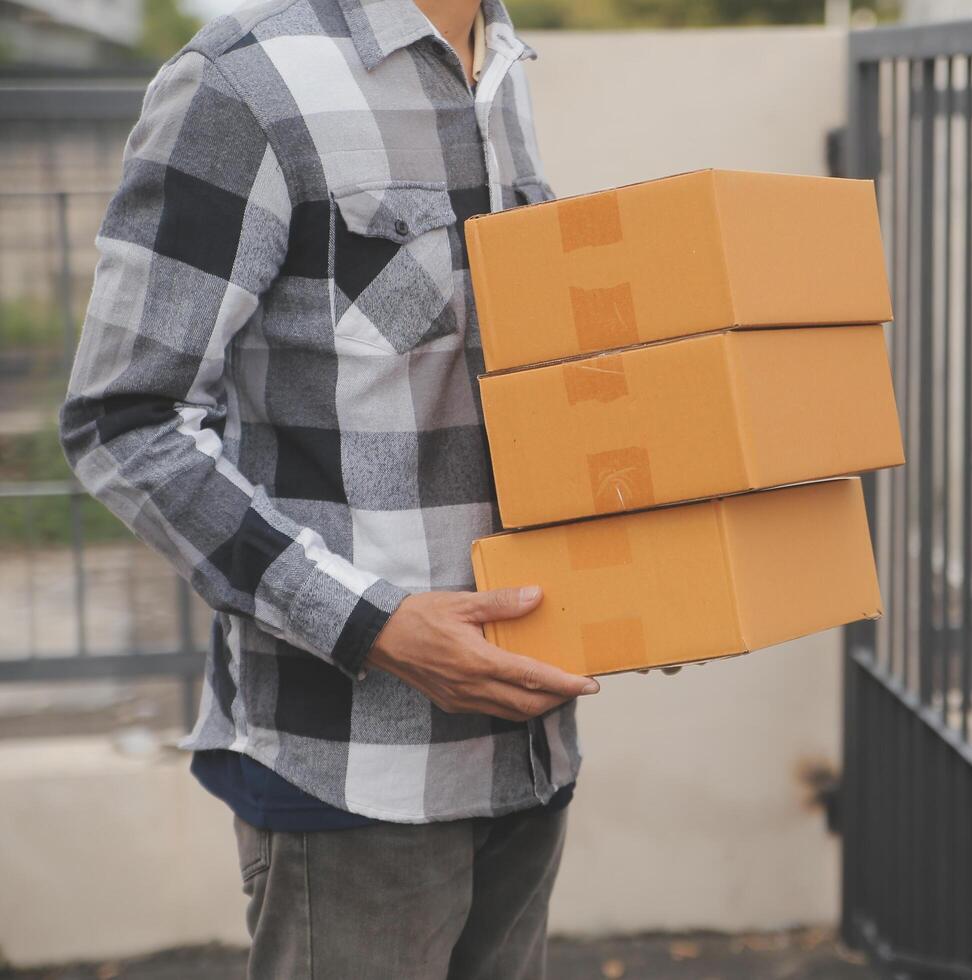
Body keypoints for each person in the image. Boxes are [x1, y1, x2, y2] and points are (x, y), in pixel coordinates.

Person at [58, 1, 596, 976]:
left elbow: (510, 393)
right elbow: (125, 422)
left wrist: (654, 584)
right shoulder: (241, 81)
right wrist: (373, 625)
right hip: (353, 767)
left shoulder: (503, 64)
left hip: (531, 745)